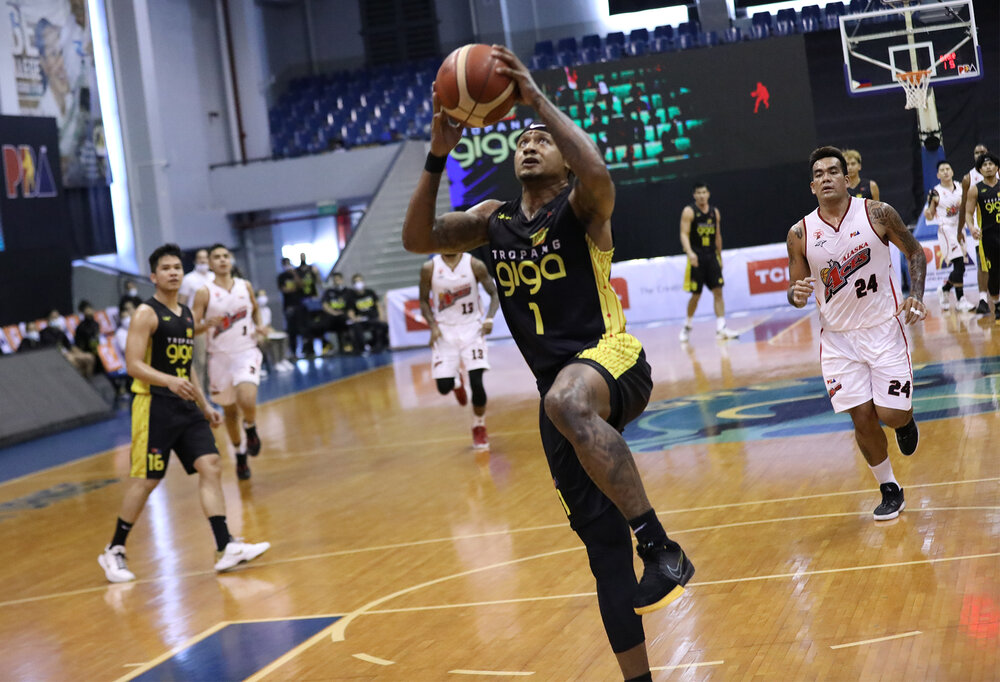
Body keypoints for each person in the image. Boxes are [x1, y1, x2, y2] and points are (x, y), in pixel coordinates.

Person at [402, 45, 693, 682]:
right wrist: (437, 150)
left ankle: (662, 545)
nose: (530, 144)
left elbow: (600, 178)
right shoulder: (492, 221)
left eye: (543, 140)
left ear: (564, 156)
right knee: (603, 557)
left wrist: (537, 100)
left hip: (612, 360)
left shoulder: (583, 208)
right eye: (523, 140)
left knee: (566, 400)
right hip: (556, 398)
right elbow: (417, 240)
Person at [97, 243, 269, 583]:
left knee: (211, 465)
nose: (173, 272)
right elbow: (132, 365)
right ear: (154, 276)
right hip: (153, 405)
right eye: (166, 268)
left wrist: (205, 405)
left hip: (185, 404)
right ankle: (114, 549)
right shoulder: (146, 314)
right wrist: (169, 382)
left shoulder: (187, 315)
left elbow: (186, 365)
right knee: (148, 480)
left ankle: (225, 546)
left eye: (177, 267)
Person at [786, 146, 927, 521]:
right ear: (812, 186)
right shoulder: (800, 233)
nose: (827, 177)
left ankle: (905, 421)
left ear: (847, 179)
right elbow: (795, 288)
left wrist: (916, 295)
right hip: (837, 340)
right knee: (861, 417)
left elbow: (915, 253)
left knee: (890, 413)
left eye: (834, 171)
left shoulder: (877, 214)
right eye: (819, 173)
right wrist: (796, 293)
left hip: (883, 329)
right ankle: (889, 488)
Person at [192, 244, 264, 480]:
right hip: (219, 358)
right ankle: (240, 454)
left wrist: (260, 325)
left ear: (231, 260)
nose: (222, 260)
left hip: (246, 351)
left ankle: (251, 428)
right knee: (230, 413)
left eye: (225, 256)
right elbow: (191, 327)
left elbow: (255, 310)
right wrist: (206, 325)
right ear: (210, 263)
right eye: (217, 257)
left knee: (247, 396)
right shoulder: (205, 292)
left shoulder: (245, 286)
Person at [418, 252, 500, 449]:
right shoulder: (429, 268)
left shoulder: (475, 264)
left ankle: (479, 426)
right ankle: (456, 383)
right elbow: (423, 300)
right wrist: (433, 326)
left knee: (477, 383)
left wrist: (489, 318)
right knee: (443, 387)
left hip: (472, 328)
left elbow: (494, 293)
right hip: (445, 331)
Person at [678, 182, 739, 342]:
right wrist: (689, 252)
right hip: (696, 256)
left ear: (708, 194)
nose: (701, 195)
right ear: (694, 195)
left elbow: (717, 235)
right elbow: (684, 234)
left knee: (718, 291)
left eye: (704, 192)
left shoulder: (714, 212)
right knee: (696, 295)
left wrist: (720, 256)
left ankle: (721, 328)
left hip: (711, 256)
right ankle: (687, 326)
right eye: (698, 193)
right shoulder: (689, 211)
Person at [924, 160, 974, 312]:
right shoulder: (936, 192)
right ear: (938, 175)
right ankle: (960, 300)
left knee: (961, 268)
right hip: (946, 230)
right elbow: (930, 216)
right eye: (942, 170)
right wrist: (928, 208)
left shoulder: (961, 187)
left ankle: (944, 289)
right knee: (959, 263)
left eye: (948, 168)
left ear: (952, 172)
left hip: (960, 228)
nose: (945, 171)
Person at [963, 151, 1000, 322]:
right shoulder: (975, 190)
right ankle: (997, 305)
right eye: (984, 165)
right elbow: (968, 213)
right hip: (988, 237)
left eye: (991, 164)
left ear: (997, 167)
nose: (988, 167)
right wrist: (971, 227)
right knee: (993, 273)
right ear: (980, 170)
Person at [959, 144, 991, 314]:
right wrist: (961, 230)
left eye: (983, 152)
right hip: (981, 229)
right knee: (983, 265)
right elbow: (965, 207)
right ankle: (983, 299)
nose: (980, 154)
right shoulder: (968, 178)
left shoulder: (997, 172)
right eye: (976, 152)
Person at [178, 248, 215, 390]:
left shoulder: (213, 277)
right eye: (200, 258)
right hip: (197, 325)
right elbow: (182, 302)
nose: (203, 261)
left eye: (206, 258)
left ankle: (212, 391)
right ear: (195, 261)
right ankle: (199, 395)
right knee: (200, 361)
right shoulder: (189, 279)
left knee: (213, 360)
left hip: (214, 323)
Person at [40, 309, 95, 376]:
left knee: (89, 357)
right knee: (73, 362)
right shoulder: (43, 333)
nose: (56, 319)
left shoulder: (61, 332)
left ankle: (89, 381)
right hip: (58, 357)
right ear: (48, 319)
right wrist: (66, 354)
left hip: (69, 354)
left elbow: (70, 346)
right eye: (53, 317)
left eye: (57, 317)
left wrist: (81, 353)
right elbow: (49, 350)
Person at [349, 274, 389, 353]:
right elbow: (350, 311)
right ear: (353, 284)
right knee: (356, 327)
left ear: (363, 282)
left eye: (360, 281)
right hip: (362, 320)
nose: (358, 283)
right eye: (356, 282)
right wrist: (354, 318)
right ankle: (362, 348)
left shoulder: (370, 292)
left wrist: (381, 316)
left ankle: (379, 344)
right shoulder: (351, 296)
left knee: (383, 325)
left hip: (373, 317)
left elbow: (378, 305)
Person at [320, 272, 353, 354]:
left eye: (338, 279)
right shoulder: (329, 292)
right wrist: (334, 312)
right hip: (332, 316)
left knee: (343, 319)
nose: (336, 281)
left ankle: (347, 343)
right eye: (334, 280)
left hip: (344, 316)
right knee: (317, 324)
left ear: (342, 280)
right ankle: (326, 344)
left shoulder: (348, 291)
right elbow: (325, 305)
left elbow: (351, 307)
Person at [297, 253, 323, 357]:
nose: (303, 258)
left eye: (304, 256)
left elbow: (319, 282)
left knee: (317, 324)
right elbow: (299, 285)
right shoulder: (297, 271)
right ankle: (308, 348)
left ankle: (323, 346)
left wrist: (317, 273)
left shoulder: (312, 269)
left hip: (313, 301)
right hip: (303, 302)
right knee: (305, 327)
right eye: (301, 256)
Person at [277, 257, 302, 358]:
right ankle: (293, 352)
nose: (287, 265)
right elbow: (284, 290)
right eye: (285, 264)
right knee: (292, 330)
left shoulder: (295, 274)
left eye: (289, 263)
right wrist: (293, 288)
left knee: (303, 327)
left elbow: (300, 285)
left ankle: (308, 350)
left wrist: (294, 274)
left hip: (299, 304)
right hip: (288, 306)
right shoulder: (281, 277)